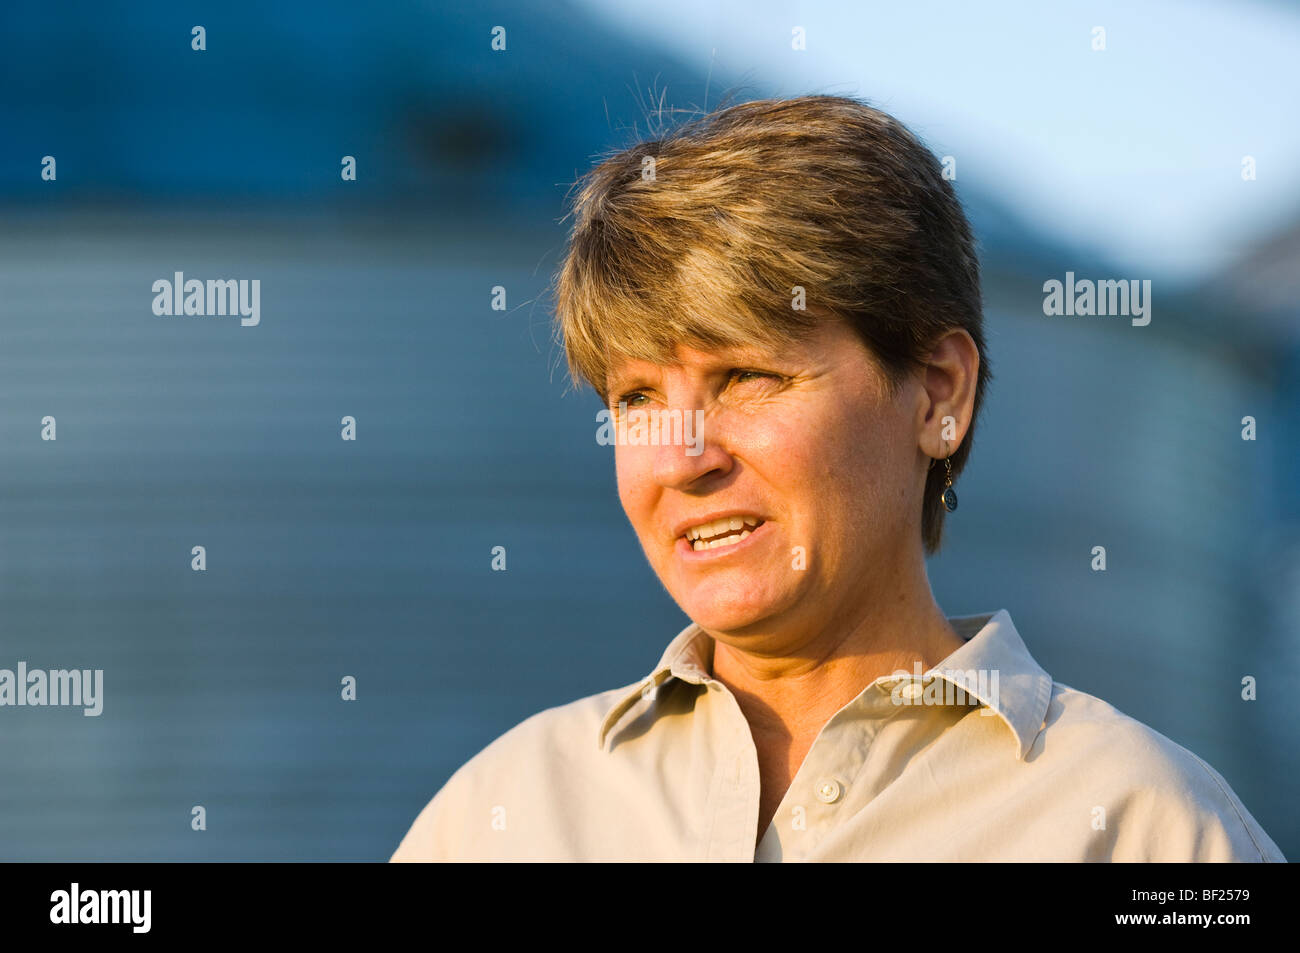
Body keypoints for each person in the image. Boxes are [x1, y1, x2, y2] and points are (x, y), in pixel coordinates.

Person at [391, 94, 1284, 861]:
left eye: (746, 377)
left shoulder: (1141, 828)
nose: (682, 457)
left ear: (939, 391)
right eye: (634, 398)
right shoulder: (502, 817)